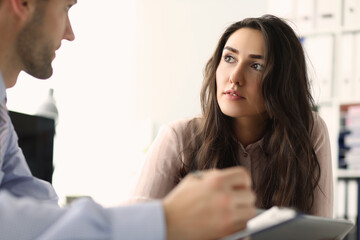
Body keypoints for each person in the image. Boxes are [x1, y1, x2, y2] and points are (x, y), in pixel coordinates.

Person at [0, 0, 257, 239]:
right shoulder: (181, 136)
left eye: (256, 65)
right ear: (22, 3)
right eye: (66, 7)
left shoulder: (3, 121)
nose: (70, 33)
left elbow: (41, 210)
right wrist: (166, 219)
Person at [132, 14, 333, 218]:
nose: (234, 77)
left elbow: (323, 230)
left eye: (256, 66)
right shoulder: (178, 137)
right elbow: (134, 227)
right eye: (229, 58)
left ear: (283, 82)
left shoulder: (309, 130)